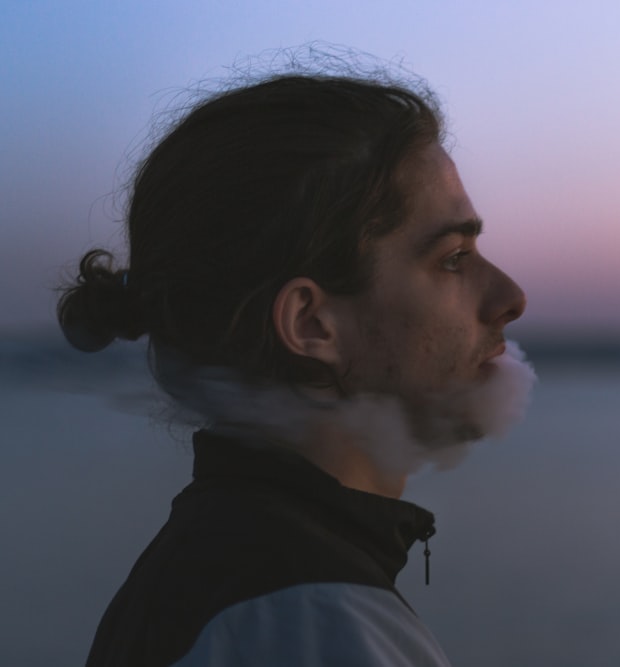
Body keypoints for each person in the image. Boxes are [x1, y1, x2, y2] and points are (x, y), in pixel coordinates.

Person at [59, 66, 534, 667]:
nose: (511, 296)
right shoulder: (311, 623)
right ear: (311, 324)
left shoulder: (228, 573)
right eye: (453, 258)